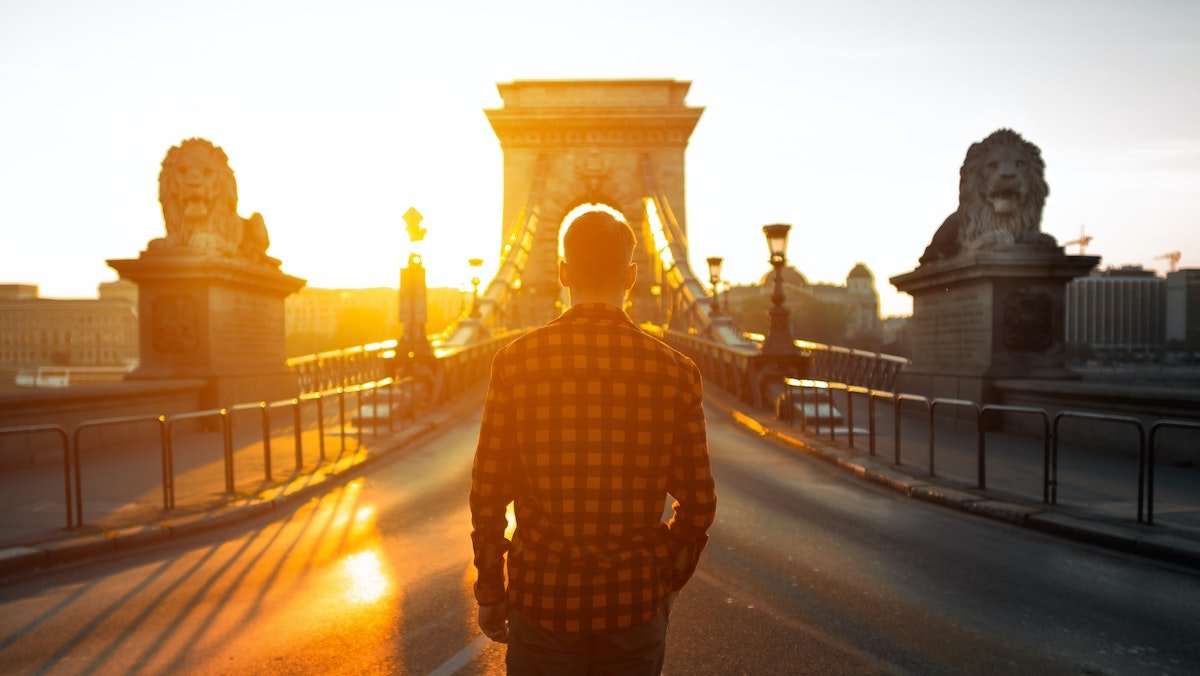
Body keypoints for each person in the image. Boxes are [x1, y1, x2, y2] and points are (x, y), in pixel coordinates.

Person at [470, 210, 717, 675]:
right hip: (634, 607)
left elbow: (487, 497)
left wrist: (490, 592)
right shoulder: (677, 373)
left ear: (563, 272)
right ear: (631, 277)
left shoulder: (515, 364)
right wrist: (664, 579)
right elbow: (699, 503)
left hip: (542, 601)